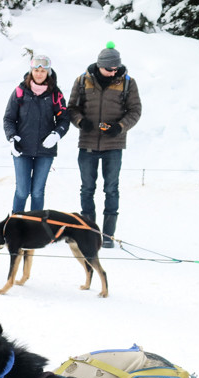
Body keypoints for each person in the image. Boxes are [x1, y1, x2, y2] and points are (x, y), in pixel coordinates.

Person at [68, 42, 142, 247]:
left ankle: (108, 236)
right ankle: (89, 233)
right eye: (110, 69)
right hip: (87, 145)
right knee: (87, 189)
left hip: (114, 146)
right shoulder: (82, 81)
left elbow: (135, 111)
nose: (113, 72)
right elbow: (72, 108)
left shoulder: (128, 82)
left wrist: (120, 127)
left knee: (111, 189)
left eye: (116, 68)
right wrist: (81, 122)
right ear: (100, 65)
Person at [2, 54, 70, 213]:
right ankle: (15, 227)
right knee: (22, 191)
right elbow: (9, 118)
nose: (39, 74)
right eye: (36, 70)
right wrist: (12, 137)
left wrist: (56, 134)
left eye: (43, 71)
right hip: (22, 149)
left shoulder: (55, 94)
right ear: (31, 71)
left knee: (38, 192)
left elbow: (64, 119)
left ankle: (35, 228)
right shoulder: (20, 92)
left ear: (48, 73)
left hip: (45, 151)